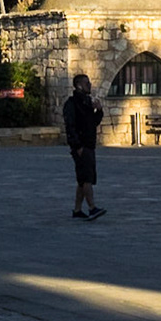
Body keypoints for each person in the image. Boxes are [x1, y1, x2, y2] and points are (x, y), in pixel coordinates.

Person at [62, 74, 104, 220]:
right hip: (81, 146)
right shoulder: (72, 104)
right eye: (87, 83)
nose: (90, 85)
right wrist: (77, 146)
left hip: (89, 145)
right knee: (87, 178)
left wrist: (99, 111)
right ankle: (92, 208)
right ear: (78, 85)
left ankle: (77, 210)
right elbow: (70, 126)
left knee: (82, 180)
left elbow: (92, 123)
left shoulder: (87, 102)